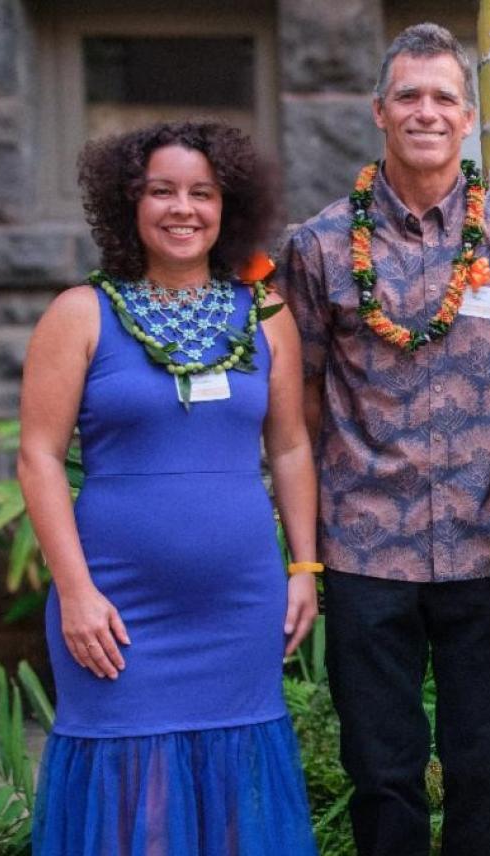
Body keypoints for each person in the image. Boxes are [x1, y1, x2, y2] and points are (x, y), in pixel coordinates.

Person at [274, 22, 490, 856]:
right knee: (382, 773)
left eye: (442, 97)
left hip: (488, 553)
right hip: (365, 552)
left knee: (487, 772)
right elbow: (303, 401)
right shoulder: (320, 247)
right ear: (379, 111)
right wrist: (307, 548)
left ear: (468, 118)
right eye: (409, 96)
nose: (425, 111)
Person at [19, 120, 318, 855]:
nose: (182, 209)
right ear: (130, 203)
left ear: (228, 208)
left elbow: (289, 446)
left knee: (234, 806)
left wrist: (304, 567)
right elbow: (38, 458)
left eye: (202, 193)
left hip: (239, 604)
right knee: (136, 808)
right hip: (117, 609)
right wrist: (78, 593)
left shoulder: (265, 315)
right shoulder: (79, 314)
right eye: (162, 191)